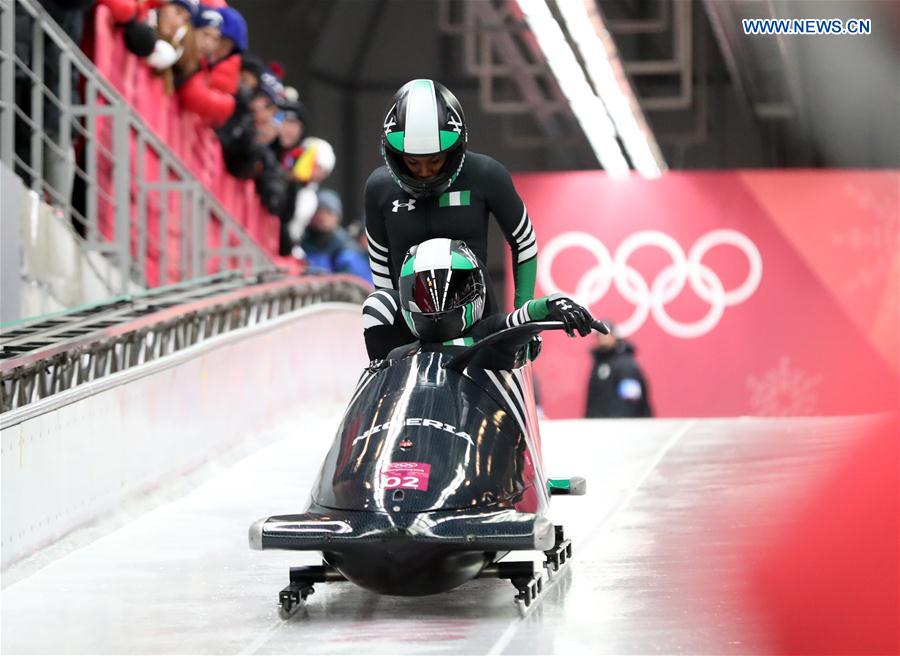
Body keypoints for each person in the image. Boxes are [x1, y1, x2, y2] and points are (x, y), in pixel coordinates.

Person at [363, 79, 539, 360]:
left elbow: (524, 242)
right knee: (378, 304)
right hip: (413, 317)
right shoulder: (378, 188)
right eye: (413, 162)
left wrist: (523, 316)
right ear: (395, 155)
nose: (424, 173)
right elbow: (381, 266)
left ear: (455, 150)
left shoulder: (486, 174)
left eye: (435, 161)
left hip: (475, 316)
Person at [365, 239, 592, 368]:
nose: (437, 306)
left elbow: (521, 318)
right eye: (425, 296)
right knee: (377, 303)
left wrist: (554, 303)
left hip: (476, 431)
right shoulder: (397, 357)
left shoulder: (489, 333)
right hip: (414, 435)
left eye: (453, 291)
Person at [299, 190, 372, 283]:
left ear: (337, 218)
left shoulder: (346, 250)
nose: (322, 217)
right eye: (319, 211)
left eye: (328, 212)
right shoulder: (300, 242)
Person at [585, 321, 653, 418]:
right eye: (599, 335)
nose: (602, 338)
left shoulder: (626, 364)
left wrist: (621, 425)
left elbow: (631, 400)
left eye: (605, 334)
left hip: (620, 427)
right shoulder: (599, 363)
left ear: (614, 337)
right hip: (600, 426)